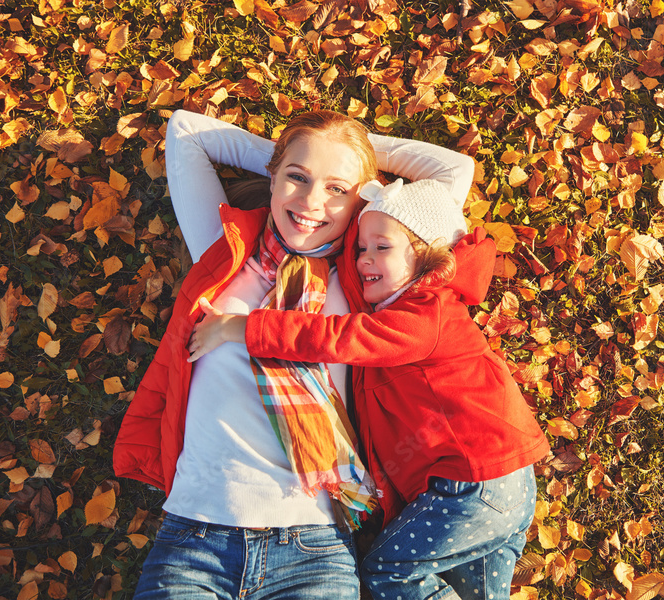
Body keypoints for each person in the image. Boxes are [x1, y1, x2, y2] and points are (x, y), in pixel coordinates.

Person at [113, 108, 475, 600]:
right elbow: (186, 131)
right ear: (273, 176)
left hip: (315, 548)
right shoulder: (224, 252)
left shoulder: (366, 281)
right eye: (296, 178)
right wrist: (295, 146)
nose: (309, 201)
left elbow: (455, 171)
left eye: (336, 190)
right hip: (193, 540)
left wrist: (356, 162)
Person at [186, 176, 551, 600]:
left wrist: (243, 327)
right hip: (495, 483)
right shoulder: (404, 311)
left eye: (382, 247)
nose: (364, 260)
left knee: (388, 573)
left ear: (428, 255)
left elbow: (336, 338)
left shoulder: (425, 313)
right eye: (361, 249)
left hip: (474, 482)